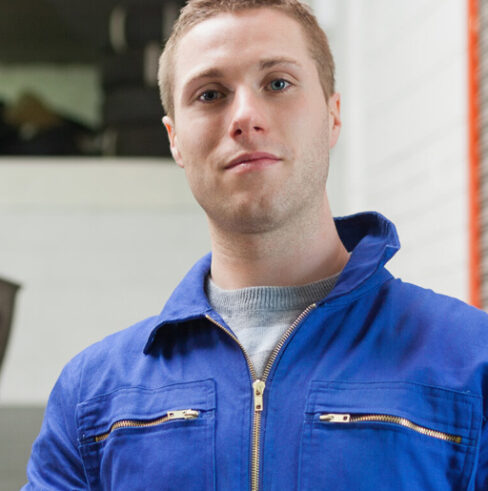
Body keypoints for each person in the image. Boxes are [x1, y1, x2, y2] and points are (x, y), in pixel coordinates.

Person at [23, 1, 488, 489]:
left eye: (278, 83)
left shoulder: (471, 362)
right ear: (174, 139)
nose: (245, 116)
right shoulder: (93, 400)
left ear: (333, 114)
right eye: (210, 94)